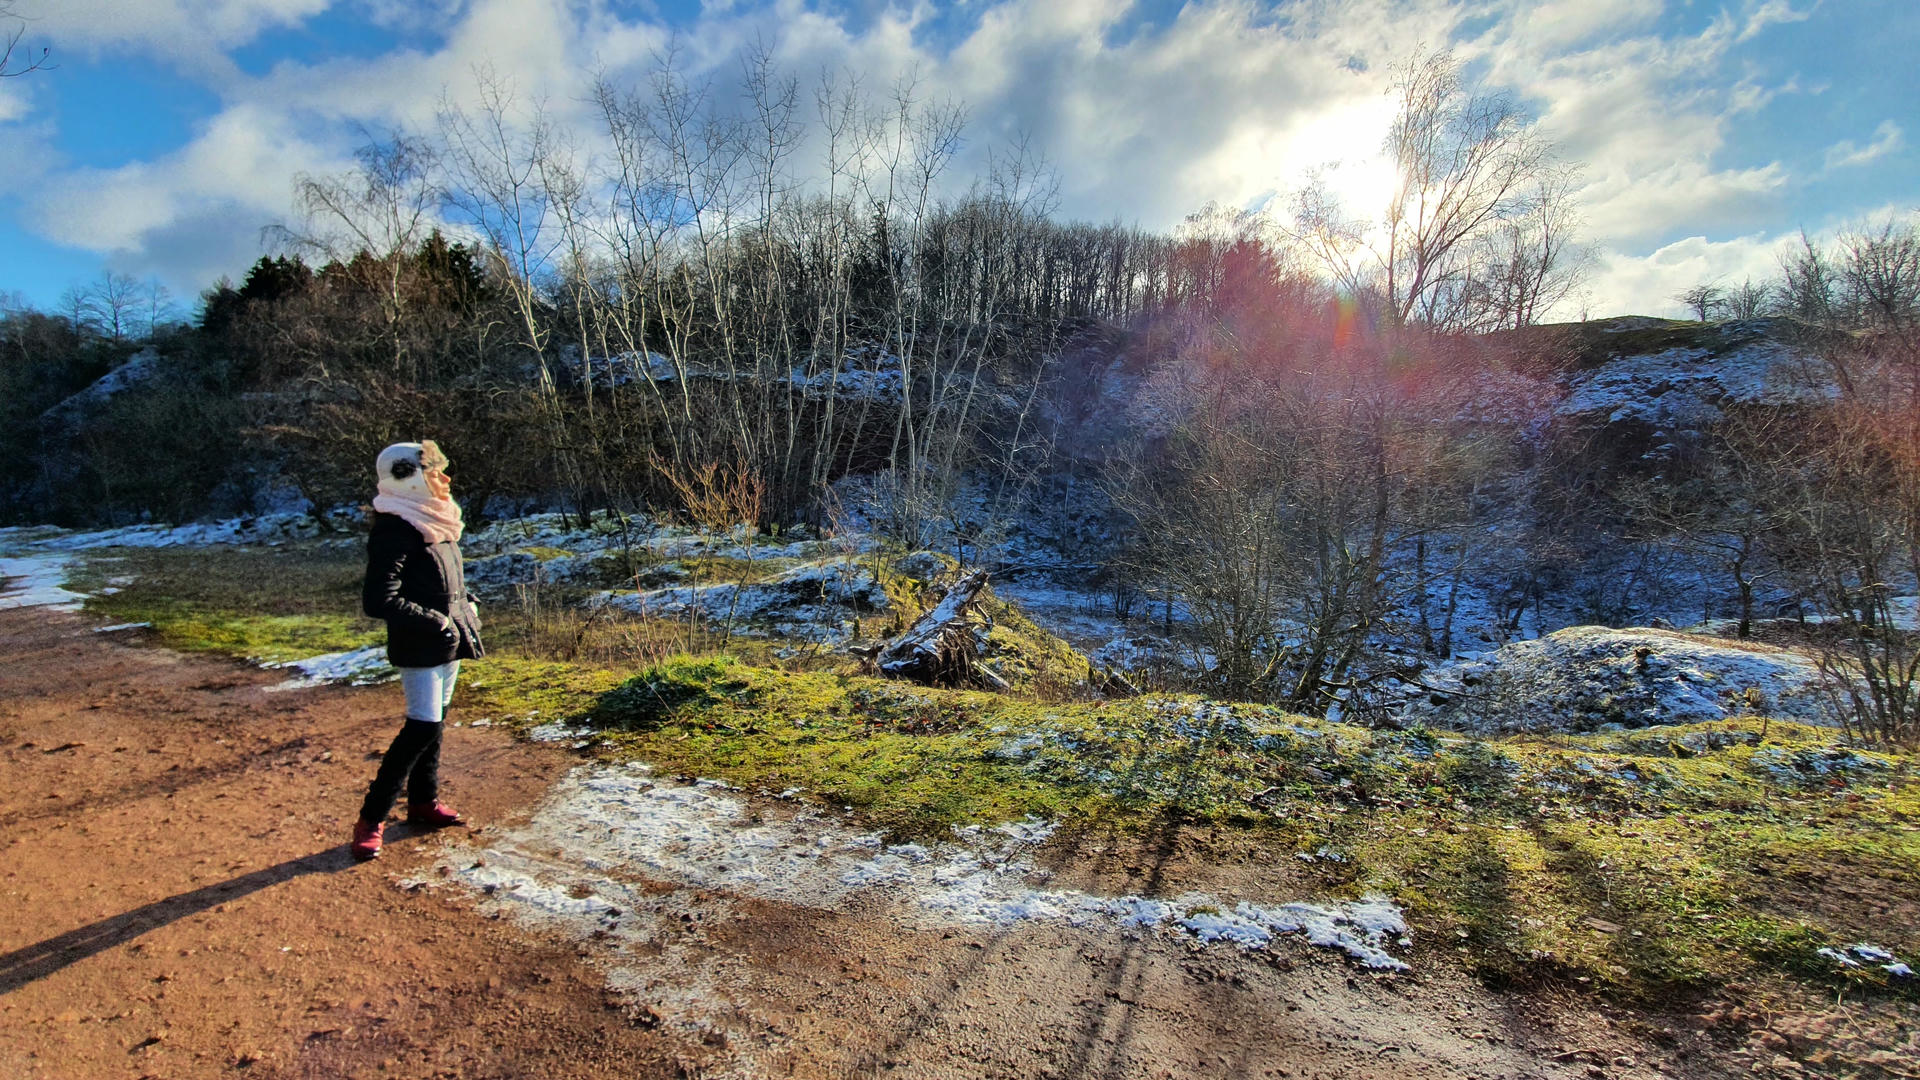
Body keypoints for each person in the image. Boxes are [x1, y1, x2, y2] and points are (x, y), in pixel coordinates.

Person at [350, 439, 485, 861]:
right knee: (421, 727)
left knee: (435, 722)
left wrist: (465, 603)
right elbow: (379, 600)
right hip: (419, 642)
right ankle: (370, 820)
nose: (445, 478)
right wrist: (435, 620)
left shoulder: (436, 518)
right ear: (409, 480)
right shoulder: (395, 528)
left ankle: (423, 802)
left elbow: (438, 580)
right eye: (434, 472)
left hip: (448, 638)